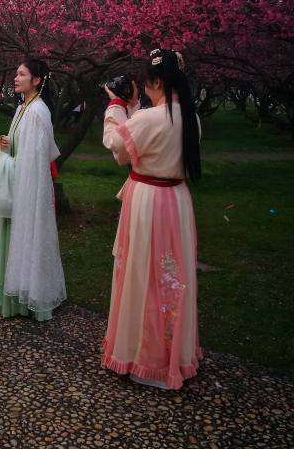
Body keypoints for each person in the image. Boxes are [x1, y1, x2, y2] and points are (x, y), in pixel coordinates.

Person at [101, 48, 202, 390]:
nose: (144, 90)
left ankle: (142, 356)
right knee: (173, 276)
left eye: (146, 84)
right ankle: (175, 352)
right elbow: (145, 134)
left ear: (156, 82)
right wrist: (133, 110)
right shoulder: (190, 117)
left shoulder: (149, 119)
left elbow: (117, 146)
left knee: (142, 273)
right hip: (177, 200)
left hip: (148, 202)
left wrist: (116, 107)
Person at [0, 58, 66, 321]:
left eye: (21, 74)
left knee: (27, 239)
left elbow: (34, 163)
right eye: (16, 73)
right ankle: (14, 298)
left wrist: (8, 161)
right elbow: (24, 152)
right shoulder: (23, 107)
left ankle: (28, 299)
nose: (16, 78)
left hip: (27, 190)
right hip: (18, 186)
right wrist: (9, 147)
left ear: (37, 80)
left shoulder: (36, 112)